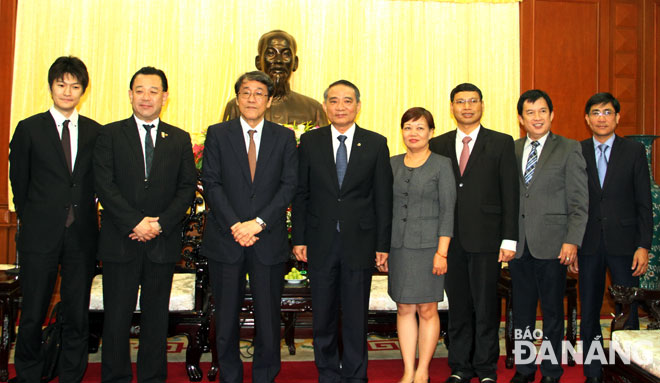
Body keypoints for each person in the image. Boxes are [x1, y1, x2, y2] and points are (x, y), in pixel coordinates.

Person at [94, 66, 197, 383]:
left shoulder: (179, 139)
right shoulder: (109, 135)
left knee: (156, 319)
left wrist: (161, 224)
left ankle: (153, 377)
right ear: (130, 95)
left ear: (165, 97)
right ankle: (116, 377)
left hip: (161, 243)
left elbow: (186, 189)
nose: (146, 97)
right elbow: (104, 185)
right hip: (120, 240)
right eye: (140, 90)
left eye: (154, 91)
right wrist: (135, 222)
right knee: (116, 319)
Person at [291, 80, 393, 382]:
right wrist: (299, 238)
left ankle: (355, 374)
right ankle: (327, 373)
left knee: (355, 316)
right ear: (325, 106)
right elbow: (301, 193)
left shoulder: (376, 143)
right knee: (322, 315)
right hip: (320, 241)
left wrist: (382, 244)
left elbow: (382, 198)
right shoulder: (310, 142)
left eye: (347, 101)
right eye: (333, 101)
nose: (340, 107)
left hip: (359, 242)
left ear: (358, 106)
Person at [9, 56, 101, 383]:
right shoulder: (29, 129)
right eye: (61, 84)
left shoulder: (95, 132)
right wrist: (36, 217)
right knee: (33, 310)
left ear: (83, 91)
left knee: (77, 312)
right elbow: (19, 181)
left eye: (74, 86)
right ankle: (30, 373)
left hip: (82, 236)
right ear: (51, 87)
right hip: (40, 235)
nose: (67, 91)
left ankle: (71, 373)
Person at [202, 71, 298, 383]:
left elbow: (288, 186)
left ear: (269, 100)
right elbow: (211, 183)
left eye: (259, 93)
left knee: (268, 317)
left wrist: (256, 223)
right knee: (226, 316)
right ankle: (230, 376)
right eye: (246, 93)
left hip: (266, 237)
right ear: (237, 98)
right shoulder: (217, 134)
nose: (252, 99)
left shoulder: (284, 138)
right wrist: (236, 224)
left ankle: (265, 376)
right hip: (226, 238)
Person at [429, 83, 519, 383]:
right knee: (458, 308)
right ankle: (459, 366)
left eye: (472, 101)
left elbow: (510, 193)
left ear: (482, 105)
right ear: (451, 107)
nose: (466, 106)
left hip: (487, 240)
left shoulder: (501, 142)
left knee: (486, 307)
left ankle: (485, 368)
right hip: (449, 240)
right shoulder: (439, 144)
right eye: (460, 102)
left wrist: (509, 238)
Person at [510, 89, 588, 383]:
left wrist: (572, 240)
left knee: (553, 312)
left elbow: (580, 202)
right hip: (519, 246)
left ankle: (552, 371)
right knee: (522, 313)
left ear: (552, 114)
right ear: (521, 119)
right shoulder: (513, 149)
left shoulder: (569, 149)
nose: (537, 117)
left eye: (542, 111)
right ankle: (525, 369)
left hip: (554, 245)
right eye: (530, 113)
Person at [574, 92, 651, 383]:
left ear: (617, 117)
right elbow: (572, 204)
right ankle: (594, 373)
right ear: (587, 119)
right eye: (595, 112)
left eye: (607, 112)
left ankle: (627, 371)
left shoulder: (633, 152)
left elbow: (644, 203)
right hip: (588, 245)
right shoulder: (576, 151)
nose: (601, 117)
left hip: (625, 245)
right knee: (590, 311)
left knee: (627, 312)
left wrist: (643, 246)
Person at [389, 107, 456, 383]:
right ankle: (407, 369)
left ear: (431, 132)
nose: (413, 133)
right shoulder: (391, 163)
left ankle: (423, 369)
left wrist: (442, 252)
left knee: (428, 309)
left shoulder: (442, 164)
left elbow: (447, 211)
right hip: (399, 248)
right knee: (404, 307)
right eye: (408, 127)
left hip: (430, 248)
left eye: (420, 127)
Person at [223, 30, 326, 126]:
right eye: (271, 53)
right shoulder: (237, 107)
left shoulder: (313, 109)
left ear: (295, 63)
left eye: (286, 54)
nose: (278, 61)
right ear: (258, 62)